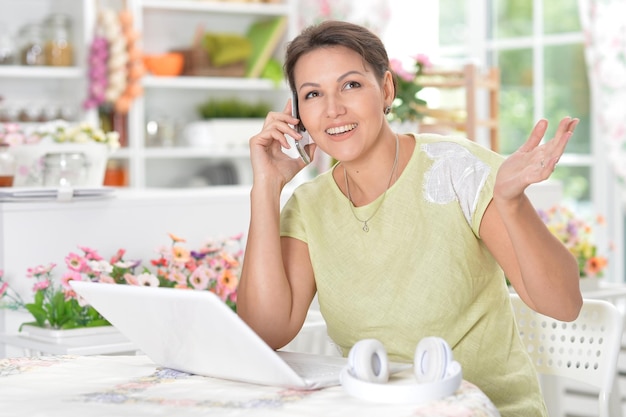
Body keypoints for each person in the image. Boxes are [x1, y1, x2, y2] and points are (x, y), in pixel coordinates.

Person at [237, 20, 582, 416]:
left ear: (385, 90)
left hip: (485, 409)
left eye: (351, 85)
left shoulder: (456, 169)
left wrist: (512, 202)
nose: (333, 109)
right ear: (298, 113)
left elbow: (563, 304)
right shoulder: (309, 204)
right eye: (313, 94)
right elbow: (265, 331)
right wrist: (265, 188)